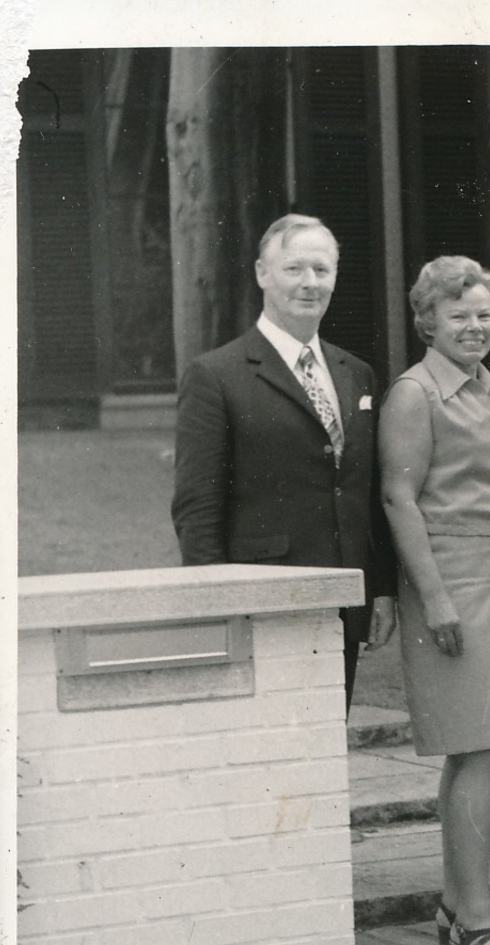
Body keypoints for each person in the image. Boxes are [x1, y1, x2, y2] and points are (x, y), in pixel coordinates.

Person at [379, 256, 490, 945]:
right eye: (459, 315)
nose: (475, 326)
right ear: (427, 322)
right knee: (476, 747)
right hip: (450, 581)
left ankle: (458, 903)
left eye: (484, 313)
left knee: (488, 747)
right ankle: (477, 922)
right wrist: (437, 596)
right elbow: (398, 498)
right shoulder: (415, 395)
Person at [171, 213, 395, 708]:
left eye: (322, 269)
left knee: (326, 754)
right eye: (294, 268)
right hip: (264, 600)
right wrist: (213, 607)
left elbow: (365, 490)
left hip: (342, 598)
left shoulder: (355, 373)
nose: (310, 283)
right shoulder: (216, 375)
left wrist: (380, 590)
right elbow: (197, 506)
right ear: (261, 274)